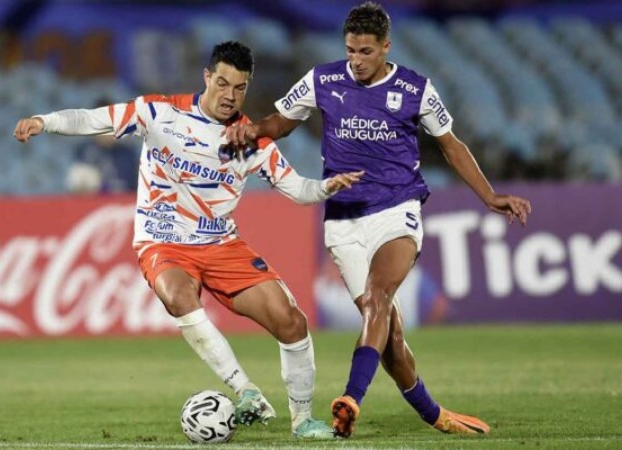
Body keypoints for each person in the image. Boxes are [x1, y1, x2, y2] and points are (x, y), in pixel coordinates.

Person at [14, 41, 364, 440]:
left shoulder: (251, 140)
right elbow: (96, 120)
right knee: (178, 294)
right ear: (207, 77)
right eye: (222, 83)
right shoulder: (160, 113)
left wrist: (325, 188)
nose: (230, 95)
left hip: (220, 245)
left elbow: (297, 190)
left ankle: (302, 422)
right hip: (161, 241)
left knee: (292, 322)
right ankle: (246, 390)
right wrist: (45, 120)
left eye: (240, 87)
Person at [225, 2, 531, 438]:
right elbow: (282, 123)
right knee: (390, 339)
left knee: (377, 295)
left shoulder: (415, 89)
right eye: (350, 50)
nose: (356, 60)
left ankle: (350, 399)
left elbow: (451, 144)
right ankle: (434, 413)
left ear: (386, 47)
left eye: (366, 52)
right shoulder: (323, 79)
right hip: (344, 219)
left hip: (397, 208)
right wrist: (252, 129)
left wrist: (490, 196)